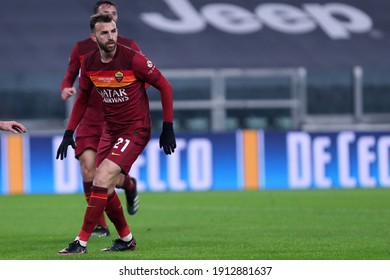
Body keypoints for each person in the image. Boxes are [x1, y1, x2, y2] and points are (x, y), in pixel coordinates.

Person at [56, 13, 176, 254]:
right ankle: (126, 239)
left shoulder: (133, 59)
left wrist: (168, 126)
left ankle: (80, 242)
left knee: (100, 179)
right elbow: (82, 99)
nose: (110, 37)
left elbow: (164, 86)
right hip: (110, 131)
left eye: (113, 31)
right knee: (106, 188)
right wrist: (69, 131)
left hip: (135, 129)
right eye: (104, 33)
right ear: (94, 37)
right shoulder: (89, 63)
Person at [60, 1, 141, 238]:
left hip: (116, 121)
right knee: (88, 170)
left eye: (113, 15)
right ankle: (100, 225)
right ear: (95, 21)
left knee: (107, 178)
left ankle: (129, 184)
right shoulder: (82, 48)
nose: (109, 18)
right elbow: (69, 75)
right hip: (89, 118)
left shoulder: (128, 47)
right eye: (104, 15)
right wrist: (66, 87)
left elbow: (144, 77)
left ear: (116, 19)